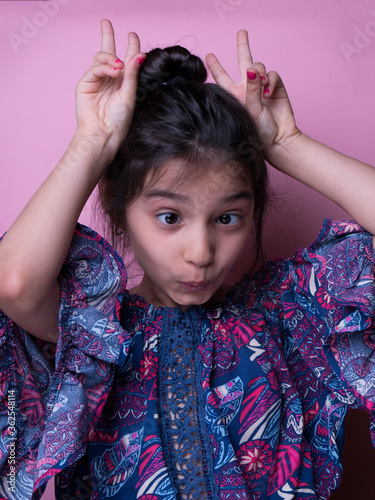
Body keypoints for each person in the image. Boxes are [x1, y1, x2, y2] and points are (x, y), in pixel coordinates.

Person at [0, 19, 374, 500]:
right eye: (170, 217)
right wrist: (91, 144)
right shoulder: (95, 334)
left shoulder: (290, 318)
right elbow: (14, 284)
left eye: (228, 218)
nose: (200, 254)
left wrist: (288, 145)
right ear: (119, 206)